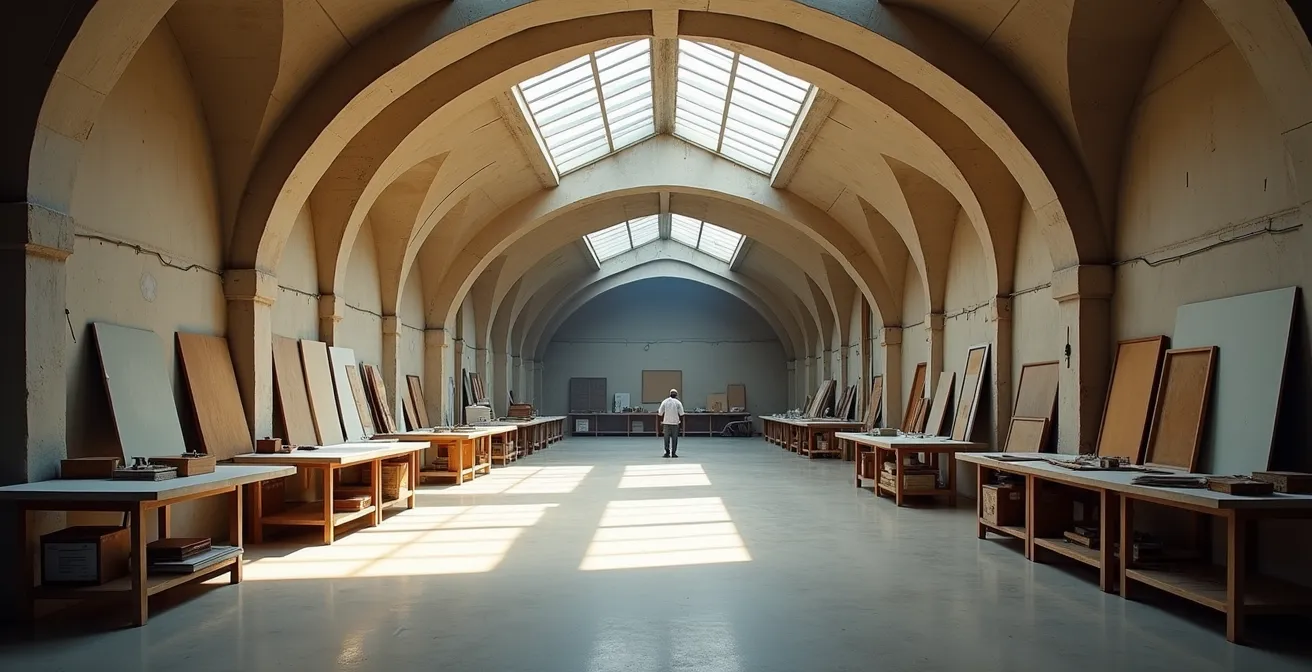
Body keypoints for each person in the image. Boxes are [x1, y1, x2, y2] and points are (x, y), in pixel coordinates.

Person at [657, 388, 684, 458]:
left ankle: (667, 453)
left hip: (666, 423)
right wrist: (681, 424)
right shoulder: (678, 402)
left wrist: (661, 423)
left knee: (666, 439)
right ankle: (674, 453)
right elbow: (682, 414)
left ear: (670, 394)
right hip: (675, 423)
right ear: (676, 395)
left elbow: (660, 413)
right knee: (675, 439)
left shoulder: (665, 401)